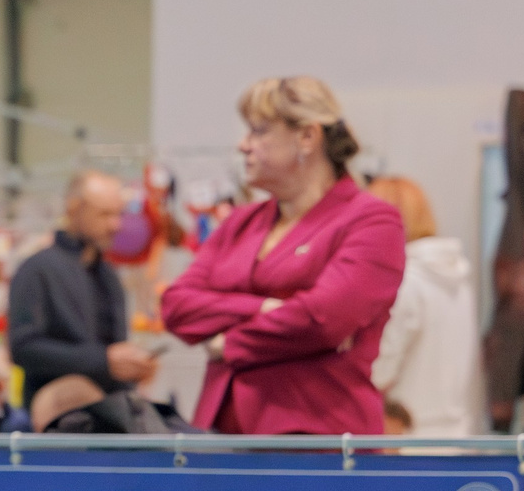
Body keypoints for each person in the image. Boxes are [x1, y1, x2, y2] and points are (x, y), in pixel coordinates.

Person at [162, 77, 403, 435]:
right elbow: (176, 306)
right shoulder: (240, 222)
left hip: (315, 438)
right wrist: (263, 308)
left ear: (307, 137)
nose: (243, 146)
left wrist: (227, 343)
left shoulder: (371, 220)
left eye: (259, 132)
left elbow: (322, 321)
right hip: (219, 436)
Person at [7, 170, 158, 398]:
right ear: (74, 209)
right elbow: (24, 348)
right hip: (56, 417)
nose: (115, 225)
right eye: (104, 214)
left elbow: (114, 347)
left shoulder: (108, 275)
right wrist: (102, 361)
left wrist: (132, 367)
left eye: (118, 214)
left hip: (111, 413)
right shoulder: (38, 270)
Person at [366, 175, 480, 437]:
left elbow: (381, 371)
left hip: (406, 436)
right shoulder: (458, 279)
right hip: (456, 432)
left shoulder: (403, 282)